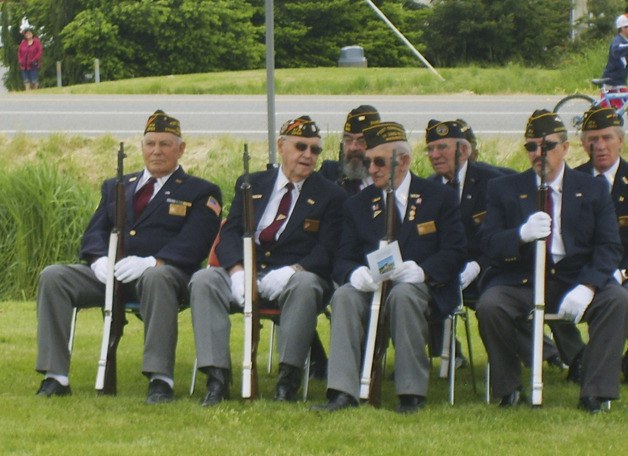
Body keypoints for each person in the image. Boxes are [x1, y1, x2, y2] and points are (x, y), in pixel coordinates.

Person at [35, 110, 222, 404]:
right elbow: (94, 232)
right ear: (142, 146)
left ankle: (160, 379)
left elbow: (195, 242)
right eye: (150, 143)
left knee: (156, 278)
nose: (156, 151)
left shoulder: (200, 191)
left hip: (166, 276)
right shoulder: (117, 186)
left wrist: (152, 262)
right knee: (54, 277)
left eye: (165, 144)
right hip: (112, 274)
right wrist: (98, 261)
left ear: (181, 148)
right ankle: (55, 376)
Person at [476, 109, 628, 413]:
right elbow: (488, 244)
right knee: (490, 305)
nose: (538, 153)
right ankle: (509, 388)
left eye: (546, 146)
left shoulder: (593, 188)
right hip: (525, 280)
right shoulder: (505, 189)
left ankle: (595, 391)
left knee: (616, 300)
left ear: (565, 148)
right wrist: (520, 234)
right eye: (531, 147)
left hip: (575, 277)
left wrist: (588, 285)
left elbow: (608, 246)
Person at [311, 121, 467, 414]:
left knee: (404, 295)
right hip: (372, 286)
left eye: (380, 162)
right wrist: (355, 274)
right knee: (343, 296)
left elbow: (456, 251)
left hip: (423, 288)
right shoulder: (357, 205)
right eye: (369, 162)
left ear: (404, 160)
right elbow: (342, 258)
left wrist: (423, 271)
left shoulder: (438, 198)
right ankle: (341, 392)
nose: (371, 170)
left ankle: (411, 394)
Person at [190, 115, 346, 406]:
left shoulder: (330, 195)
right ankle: (217, 378)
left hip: (296, 275)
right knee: (204, 280)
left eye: (315, 150)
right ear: (281, 146)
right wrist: (236, 270)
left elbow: (328, 249)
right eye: (301, 146)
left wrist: (293, 270)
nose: (308, 155)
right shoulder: (251, 184)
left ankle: (288, 378)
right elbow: (231, 231)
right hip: (248, 268)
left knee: (305, 284)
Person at [425, 119, 563, 370]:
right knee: (421, 289)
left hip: (493, 264)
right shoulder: (430, 188)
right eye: (430, 149)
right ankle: (449, 353)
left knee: (498, 299)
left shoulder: (493, 181)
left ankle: (559, 353)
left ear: (464, 151)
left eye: (442, 148)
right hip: (450, 269)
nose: (435, 155)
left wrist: (478, 265)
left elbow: (502, 234)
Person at [575, 106, 628, 382]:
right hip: (583, 271)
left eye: (607, 137)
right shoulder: (571, 181)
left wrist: (621, 273)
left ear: (621, 140)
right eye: (592, 139)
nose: (600, 146)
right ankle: (577, 358)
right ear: (583, 144)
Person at [319, 105, 380, 194]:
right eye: (348, 140)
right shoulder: (330, 174)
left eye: (362, 141)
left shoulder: (390, 178)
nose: (353, 148)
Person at [600, 14, 628, 109]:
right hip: (613, 82)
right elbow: (616, 50)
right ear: (623, 28)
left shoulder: (624, 42)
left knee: (612, 113)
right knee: (609, 114)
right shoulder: (618, 41)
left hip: (618, 81)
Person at [17, 26, 43, 90]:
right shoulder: (23, 43)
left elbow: (39, 51)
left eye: (29, 33)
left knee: (34, 81)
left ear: (32, 34)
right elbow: (19, 52)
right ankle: (28, 93)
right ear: (25, 35)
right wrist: (20, 60)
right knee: (26, 81)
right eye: (27, 34)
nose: (28, 35)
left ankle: (35, 92)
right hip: (24, 65)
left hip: (33, 64)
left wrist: (34, 59)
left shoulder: (36, 42)